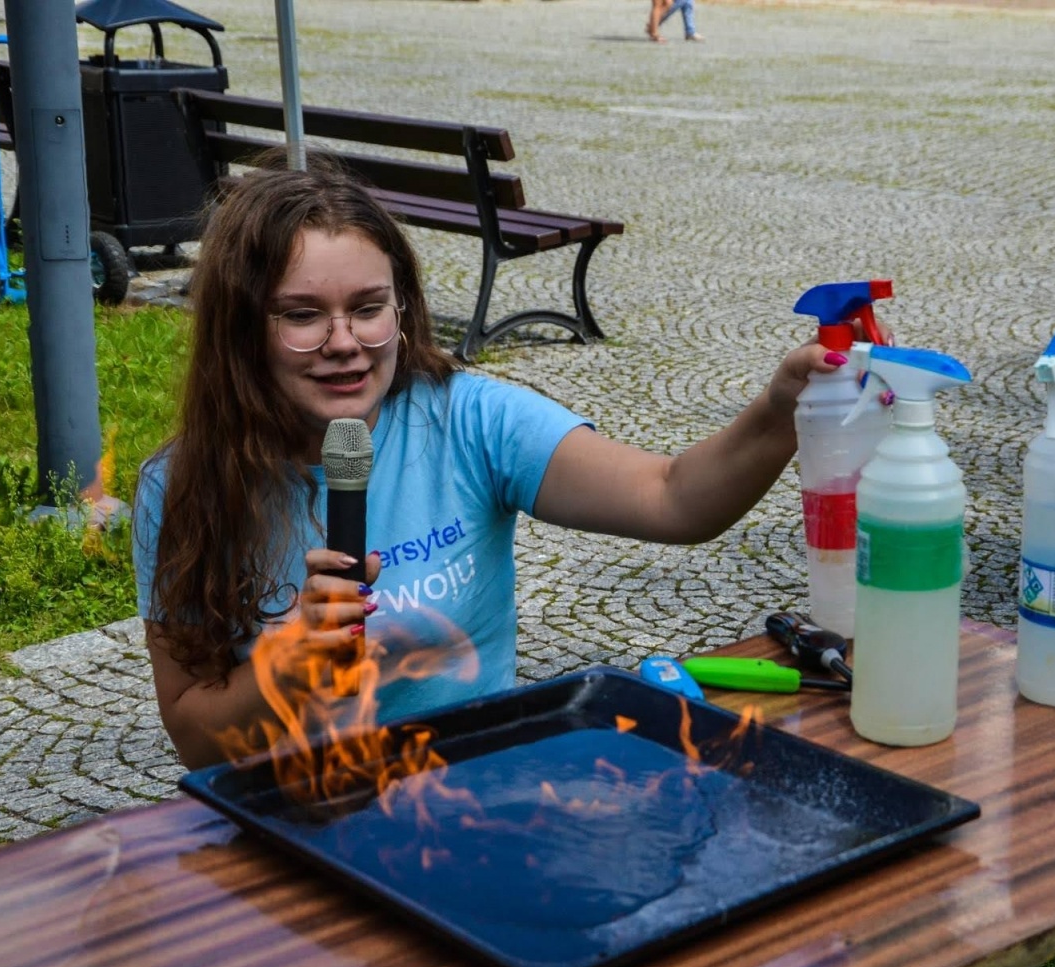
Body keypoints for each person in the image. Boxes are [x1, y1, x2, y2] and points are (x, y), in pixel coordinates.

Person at [135, 156, 837, 770]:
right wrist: (281, 670)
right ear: (239, 331)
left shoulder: (467, 419)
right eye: (302, 315)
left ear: (403, 309)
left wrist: (780, 415)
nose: (344, 341)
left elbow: (674, 497)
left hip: (470, 799)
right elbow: (196, 740)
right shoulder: (180, 489)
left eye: (369, 307)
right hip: (289, 819)